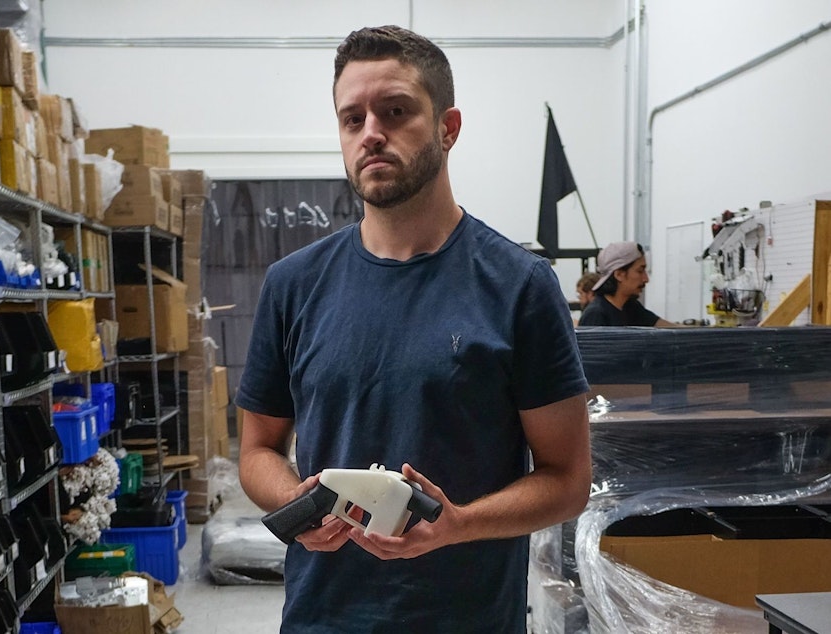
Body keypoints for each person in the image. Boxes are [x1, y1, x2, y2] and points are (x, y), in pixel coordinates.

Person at [235, 25, 592, 633]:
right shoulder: (293, 284)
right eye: (353, 119)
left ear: (448, 128)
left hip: (466, 619)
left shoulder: (519, 286)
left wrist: (461, 524)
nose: (371, 132)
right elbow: (258, 451)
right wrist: (295, 499)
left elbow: (567, 479)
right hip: (323, 618)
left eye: (395, 111)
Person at [578, 241, 680, 327]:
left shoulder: (631, 308)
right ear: (619, 274)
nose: (646, 279)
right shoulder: (596, 315)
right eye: (640, 271)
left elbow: (666, 328)